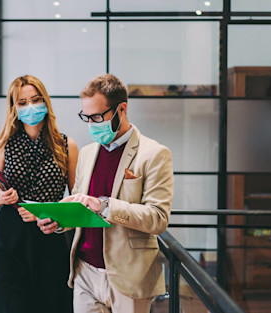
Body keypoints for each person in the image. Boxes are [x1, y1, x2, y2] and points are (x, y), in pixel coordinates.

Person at [38, 74, 174, 313]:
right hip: (85, 272)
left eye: (98, 117)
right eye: (86, 117)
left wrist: (104, 205)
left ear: (121, 109)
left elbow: (158, 218)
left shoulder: (154, 154)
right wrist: (59, 221)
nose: (91, 124)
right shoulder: (88, 153)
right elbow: (82, 207)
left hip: (130, 276)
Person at [0, 75, 79, 313]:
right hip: (10, 241)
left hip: (49, 237)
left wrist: (53, 215)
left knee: (50, 304)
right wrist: (2, 198)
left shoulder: (67, 145)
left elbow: (77, 198)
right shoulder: (2, 146)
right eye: (22, 102)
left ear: (46, 102)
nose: (30, 107)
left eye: (36, 100)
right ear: (14, 108)